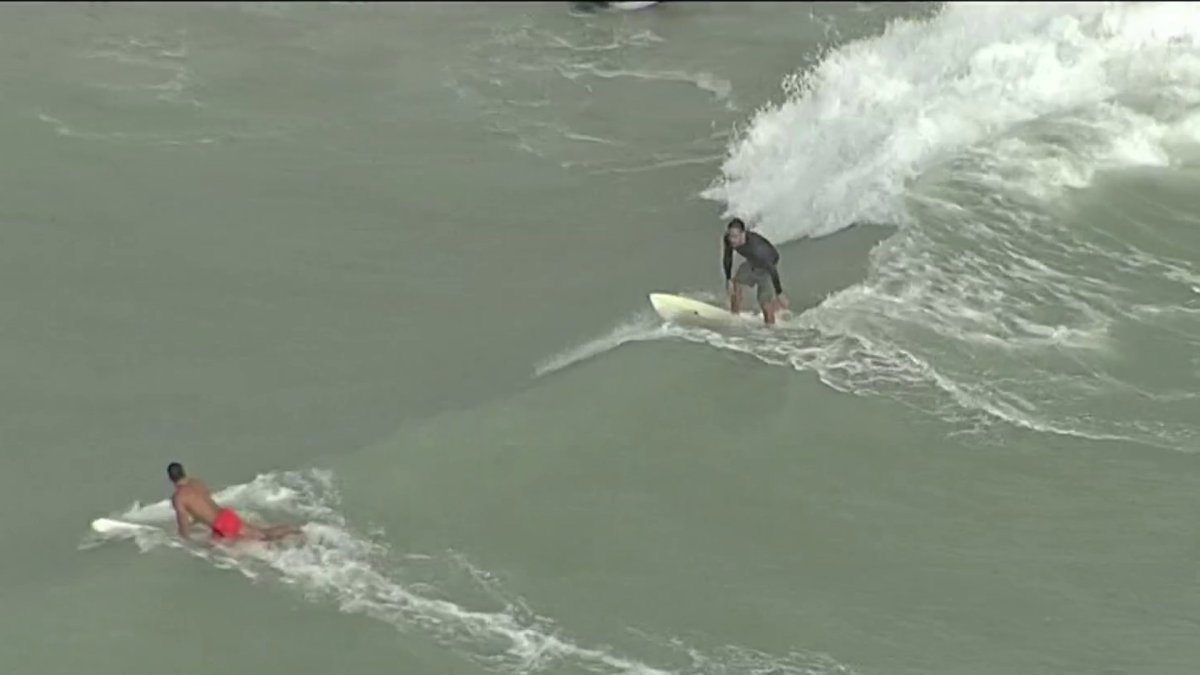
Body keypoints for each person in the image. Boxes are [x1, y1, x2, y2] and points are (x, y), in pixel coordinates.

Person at [167, 462, 301, 542]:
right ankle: (292, 534)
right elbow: (203, 506)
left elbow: (182, 521)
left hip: (222, 524)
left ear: (170, 479)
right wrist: (196, 522)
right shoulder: (197, 482)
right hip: (223, 517)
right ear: (184, 472)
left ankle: (297, 531)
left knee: (263, 536)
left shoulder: (178, 497)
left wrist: (183, 539)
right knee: (214, 549)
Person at [722, 218, 788, 325]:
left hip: (767, 268)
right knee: (735, 284)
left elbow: (772, 269)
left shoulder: (758, 249)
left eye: (735, 237)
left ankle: (770, 327)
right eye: (730, 236)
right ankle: (734, 316)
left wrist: (779, 293)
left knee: (764, 303)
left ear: (743, 234)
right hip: (752, 263)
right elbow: (728, 257)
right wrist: (728, 279)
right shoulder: (729, 240)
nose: (732, 240)